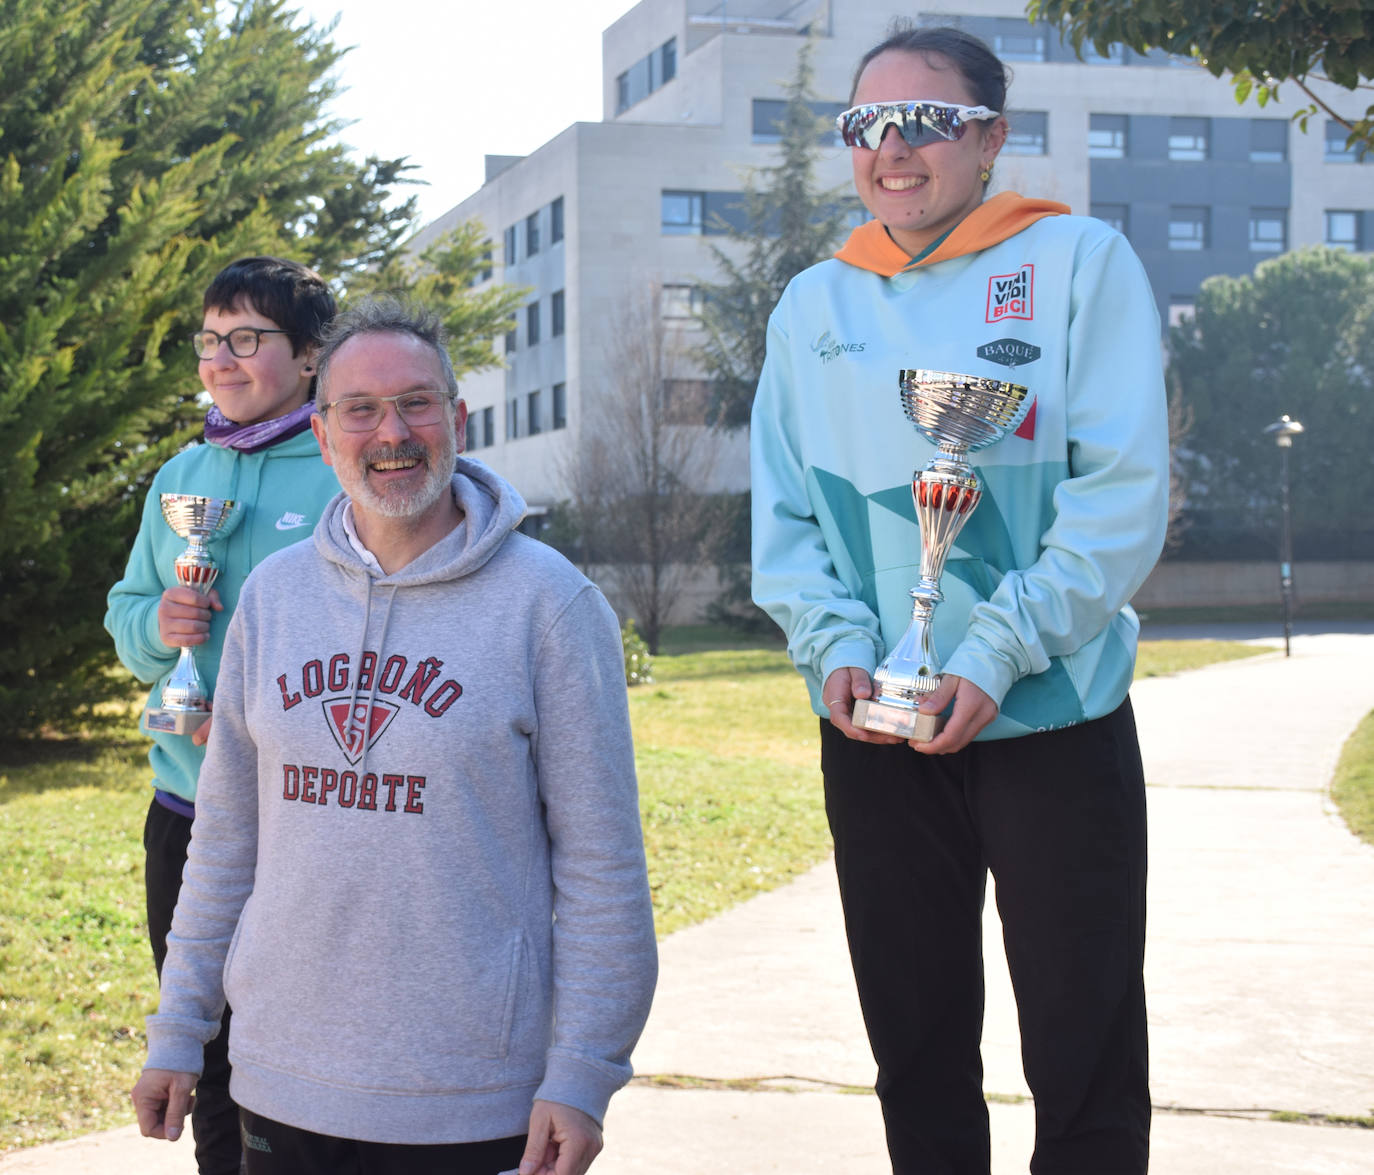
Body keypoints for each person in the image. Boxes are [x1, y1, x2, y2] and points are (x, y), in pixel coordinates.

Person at [750, 24, 1168, 1175]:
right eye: (865, 126)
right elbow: (783, 516)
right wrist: (830, 644)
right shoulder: (811, 305)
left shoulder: (1081, 263)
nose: (892, 149)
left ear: (988, 137)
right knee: (918, 1046)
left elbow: (1122, 495)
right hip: (875, 728)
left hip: (1055, 717)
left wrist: (995, 651)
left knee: (1083, 1051)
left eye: (925, 122)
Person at [130, 298, 658, 1175]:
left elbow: (603, 867)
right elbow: (225, 842)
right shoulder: (272, 598)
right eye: (360, 409)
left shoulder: (549, 606)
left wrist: (582, 1071)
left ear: (457, 418)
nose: (392, 432)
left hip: (472, 1098)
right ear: (325, 429)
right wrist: (179, 1030)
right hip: (279, 1081)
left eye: (416, 402)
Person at [105, 255, 340, 1175]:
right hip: (187, 814)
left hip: (301, 820)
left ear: (311, 357)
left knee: (299, 1044)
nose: (222, 359)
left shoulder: (337, 465)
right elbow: (127, 611)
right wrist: (160, 629)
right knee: (203, 1048)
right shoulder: (181, 474)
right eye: (211, 340)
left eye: (248, 338)